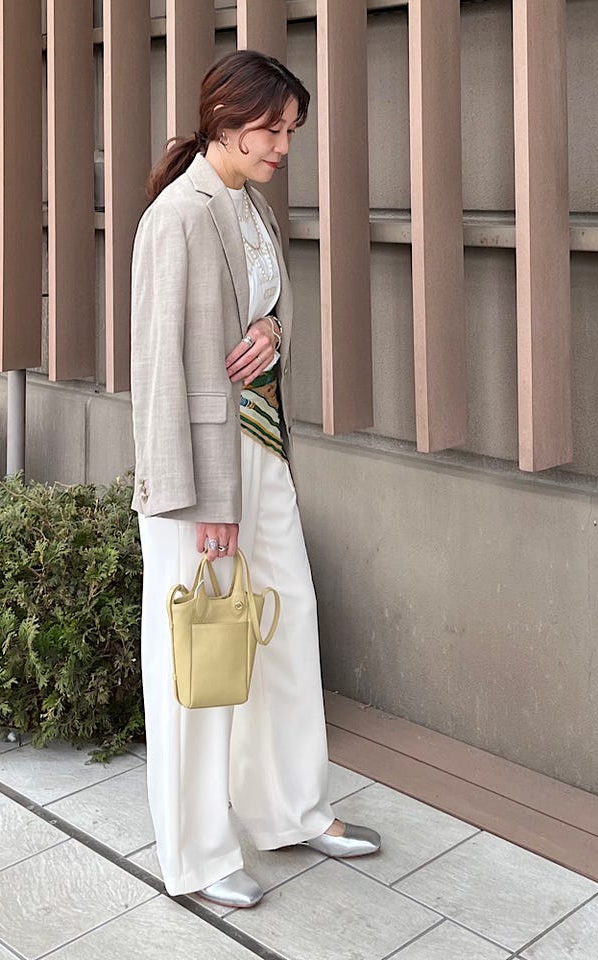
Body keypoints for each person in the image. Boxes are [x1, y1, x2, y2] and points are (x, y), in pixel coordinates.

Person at [130, 49, 381, 909]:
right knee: (198, 658)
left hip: (264, 453)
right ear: (227, 119)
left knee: (286, 626)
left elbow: (268, 310)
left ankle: (291, 810)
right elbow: (159, 375)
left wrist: (272, 330)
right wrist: (202, 501)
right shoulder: (178, 216)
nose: (283, 146)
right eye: (273, 130)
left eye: (291, 132)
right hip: (201, 476)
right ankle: (196, 858)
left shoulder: (251, 207)